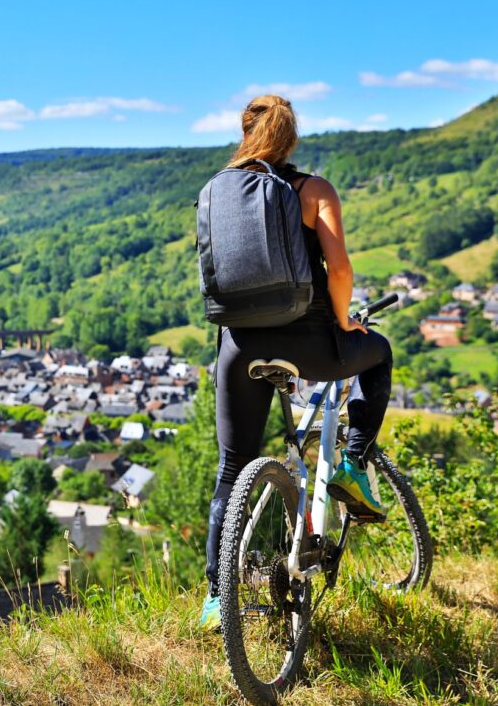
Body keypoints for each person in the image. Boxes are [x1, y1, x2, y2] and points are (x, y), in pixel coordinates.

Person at [198, 94, 393, 629]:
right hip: (308, 344)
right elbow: (340, 271)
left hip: (238, 347)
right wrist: (345, 319)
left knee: (231, 469)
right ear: (292, 138)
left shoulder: (219, 189)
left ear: (245, 132)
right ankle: (353, 463)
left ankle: (217, 598)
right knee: (379, 354)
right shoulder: (313, 189)